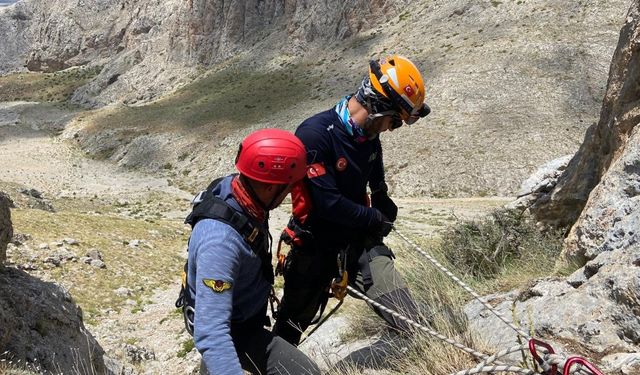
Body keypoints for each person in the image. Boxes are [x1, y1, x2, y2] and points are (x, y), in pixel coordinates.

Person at [272, 55, 431, 346]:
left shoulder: (368, 136)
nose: (391, 130)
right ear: (377, 108)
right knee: (287, 334)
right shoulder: (315, 135)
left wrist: (381, 195)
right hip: (314, 248)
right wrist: (374, 218)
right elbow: (327, 203)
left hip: (357, 243)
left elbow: (374, 168)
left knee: (409, 318)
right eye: (393, 122)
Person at [178, 129, 321, 375]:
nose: (289, 194)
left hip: (241, 319)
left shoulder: (243, 192)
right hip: (233, 330)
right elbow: (212, 332)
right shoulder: (220, 243)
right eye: (288, 188)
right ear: (270, 188)